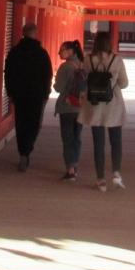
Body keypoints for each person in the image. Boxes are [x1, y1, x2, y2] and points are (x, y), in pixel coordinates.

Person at [78, 32, 128, 191]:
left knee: (98, 143)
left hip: (94, 105)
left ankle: (100, 180)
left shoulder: (88, 59)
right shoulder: (117, 60)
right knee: (116, 141)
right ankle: (116, 173)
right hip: (113, 104)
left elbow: (84, 79)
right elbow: (124, 83)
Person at [3, 22, 52, 172]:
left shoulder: (14, 52)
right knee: (34, 123)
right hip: (36, 94)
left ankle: (23, 152)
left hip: (19, 94)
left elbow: (8, 73)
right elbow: (47, 75)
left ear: (23, 33)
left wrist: (10, 92)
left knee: (21, 122)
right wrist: (46, 92)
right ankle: (27, 150)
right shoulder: (41, 53)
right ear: (35, 33)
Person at [53, 40, 86, 181]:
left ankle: (70, 169)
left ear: (71, 51)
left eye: (62, 50)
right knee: (77, 137)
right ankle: (75, 165)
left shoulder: (65, 67)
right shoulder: (83, 65)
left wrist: (55, 83)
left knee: (67, 138)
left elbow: (58, 88)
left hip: (67, 107)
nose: (59, 52)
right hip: (81, 107)